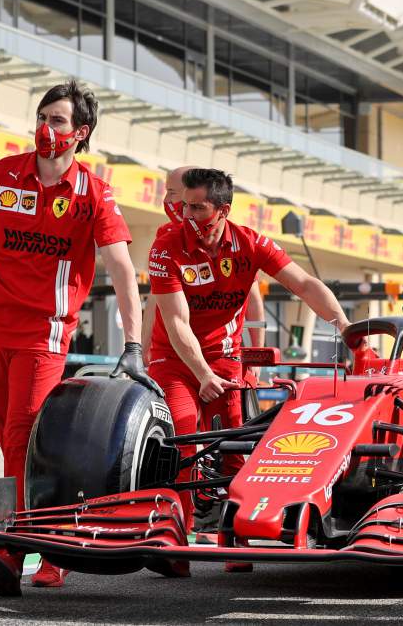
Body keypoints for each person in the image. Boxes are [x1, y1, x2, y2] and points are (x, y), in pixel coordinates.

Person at [0, 81, 158, 597]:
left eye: (58, 120)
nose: (45, 128)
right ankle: (55, 544)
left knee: (19, 436)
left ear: (80, 134)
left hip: (43, 335)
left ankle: (10, 550)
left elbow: (124, 271)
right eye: (42, 116)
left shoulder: (95, 193)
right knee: (13, 441)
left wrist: (132, 344)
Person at [147, 168, 351, 575]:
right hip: (174, 360)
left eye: (198, 207)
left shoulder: (251, 243)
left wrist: (345, 326)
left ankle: (235, 540)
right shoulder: (165, 245)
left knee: (236, 450)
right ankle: (177, 542)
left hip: (227, 362)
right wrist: (203, 373)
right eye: (184, 204)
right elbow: (176, 322)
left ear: (223, 210)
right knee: (186, 438)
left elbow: (305, 284)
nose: (186, 213)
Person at [141, 166, 266, 359]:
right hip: (174, 356)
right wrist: (144, 350)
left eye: (172, 193)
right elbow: (155, 299)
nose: (166, 201)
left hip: (221, 355)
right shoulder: (165, 238)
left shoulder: (235, 239)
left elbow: (253, 300)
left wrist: (257, 355)